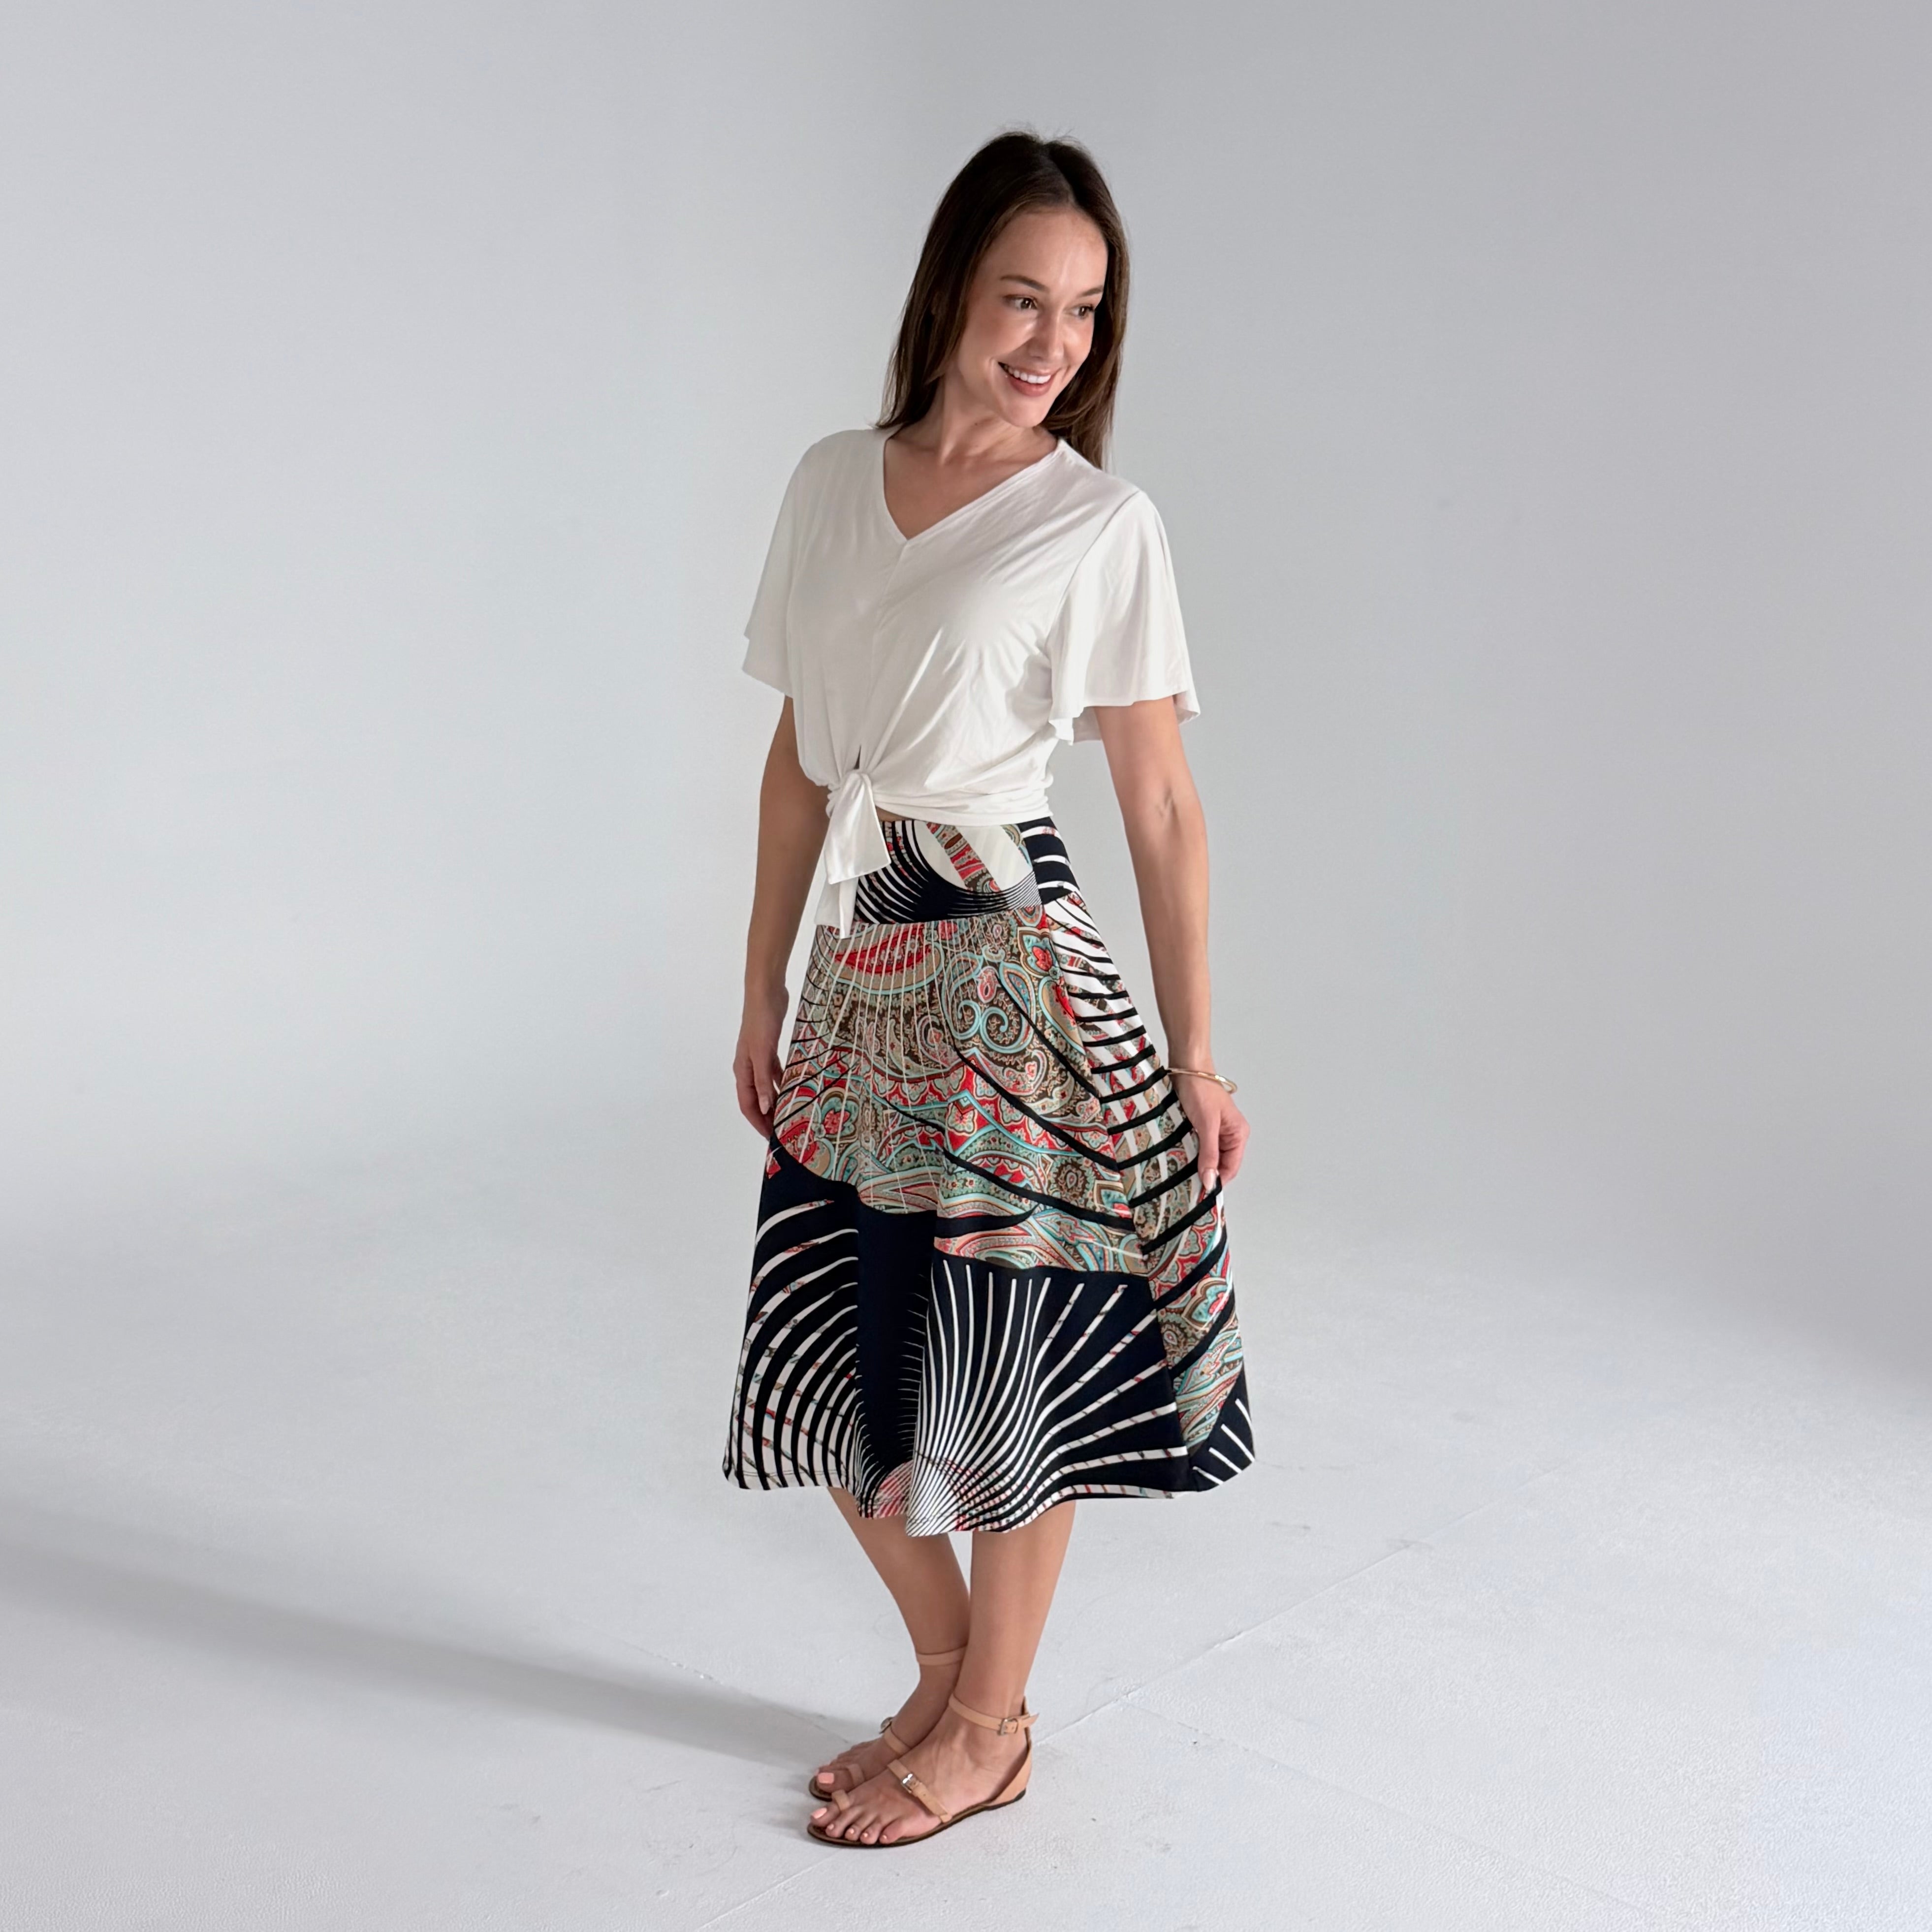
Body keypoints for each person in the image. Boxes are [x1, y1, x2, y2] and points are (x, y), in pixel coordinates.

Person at [723, 129, 1255, 1849]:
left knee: (1005, 1368)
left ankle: (991, 1724)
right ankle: (957, 1684)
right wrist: (760, 997)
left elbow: (1158, 800)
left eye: (1085, 313)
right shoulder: (831, 482)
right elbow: (800, 767)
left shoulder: (1102, 524)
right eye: (1023, 296)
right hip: (863, 973)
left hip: (1019, 975)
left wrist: (1193, 1048)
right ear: (952, 287)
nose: (1050, 343)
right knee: (831, 1370)